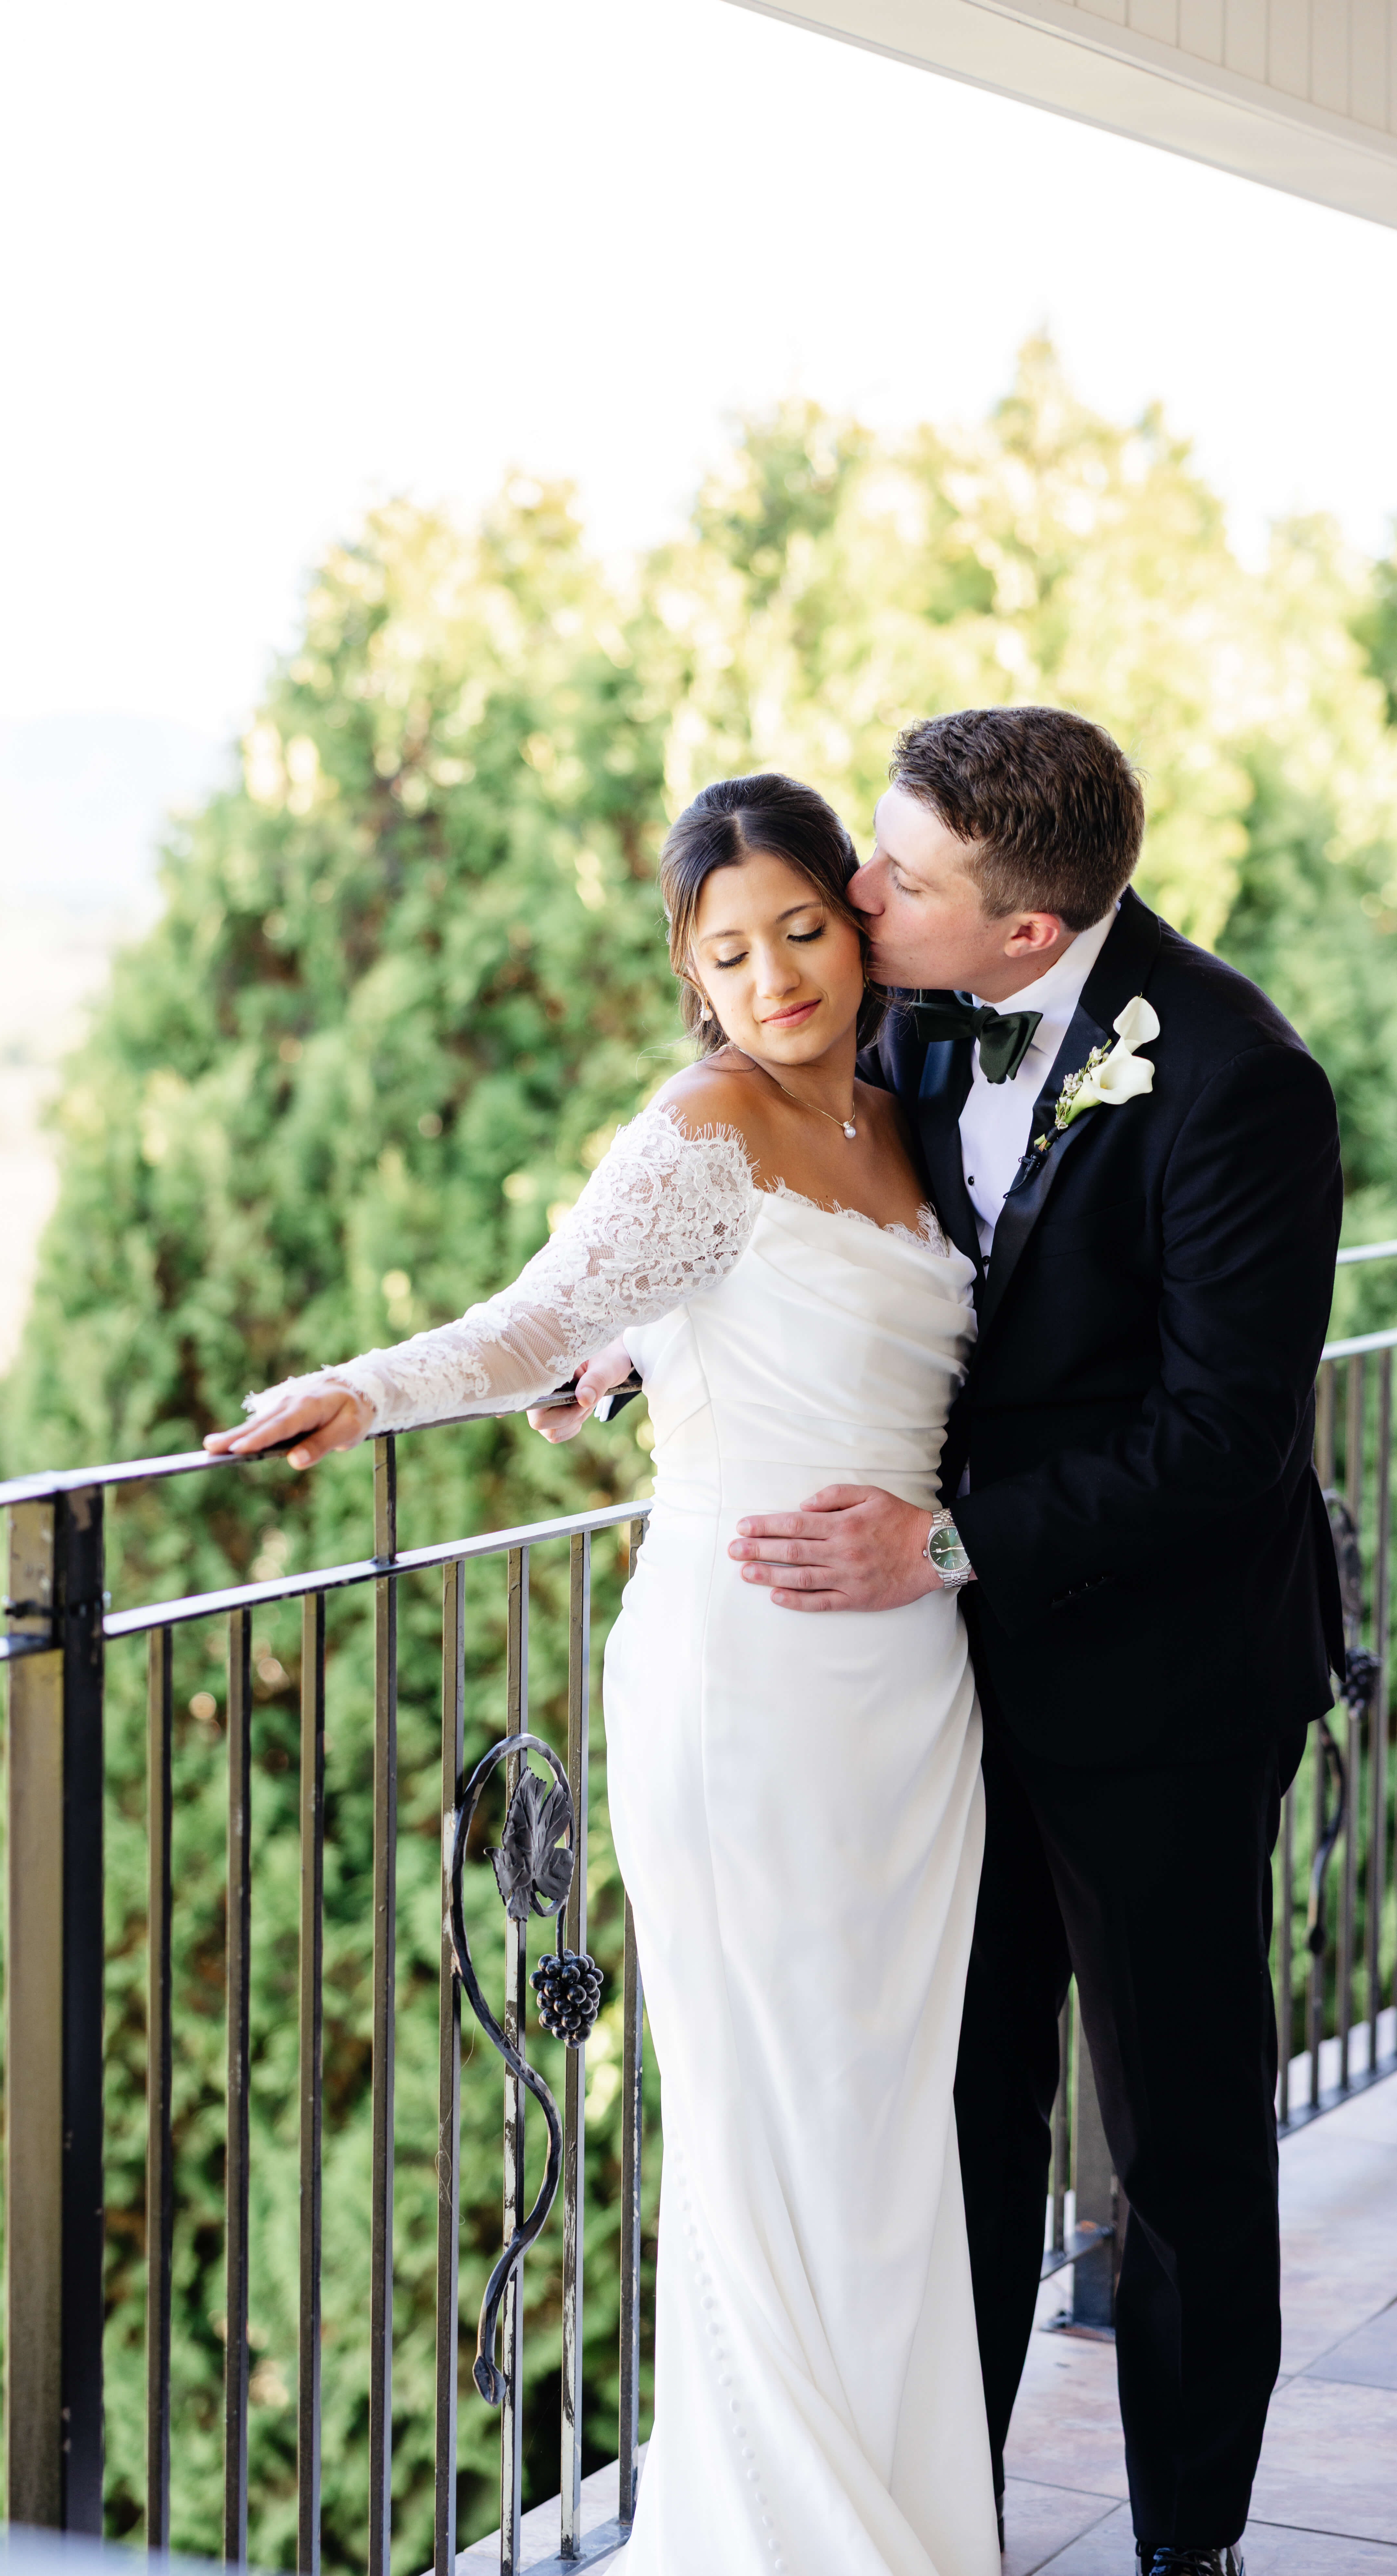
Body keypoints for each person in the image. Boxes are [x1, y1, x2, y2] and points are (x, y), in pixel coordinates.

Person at [207, 773, 1004, 2575]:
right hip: (749, 1682)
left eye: (802, 925)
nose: (775, 973)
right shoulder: (698, 1127)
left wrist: (656, 1346)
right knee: (768, 2114)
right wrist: (369, 1385)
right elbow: (539, 1315)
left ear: (855, 926)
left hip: (911, 1693)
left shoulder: (905, 1115)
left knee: (884, 2126)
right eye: (729, 950)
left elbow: (716, 1318)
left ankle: (910, 2521)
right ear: (692, 973)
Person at [713, 708, 1344, 2576]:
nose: (856, 890)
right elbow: (785, 1205)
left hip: (1162, 1691)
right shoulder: (902, 1010)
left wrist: (953, 1538)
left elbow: (1225, 1440)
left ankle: (1191, 2545)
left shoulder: (1240, 1081)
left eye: (897, 878)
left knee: (1181, 2157)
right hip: (939, 1701)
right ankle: (942, 2525)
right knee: (956, 2133)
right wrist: (640, 1343)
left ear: (1026, 934)